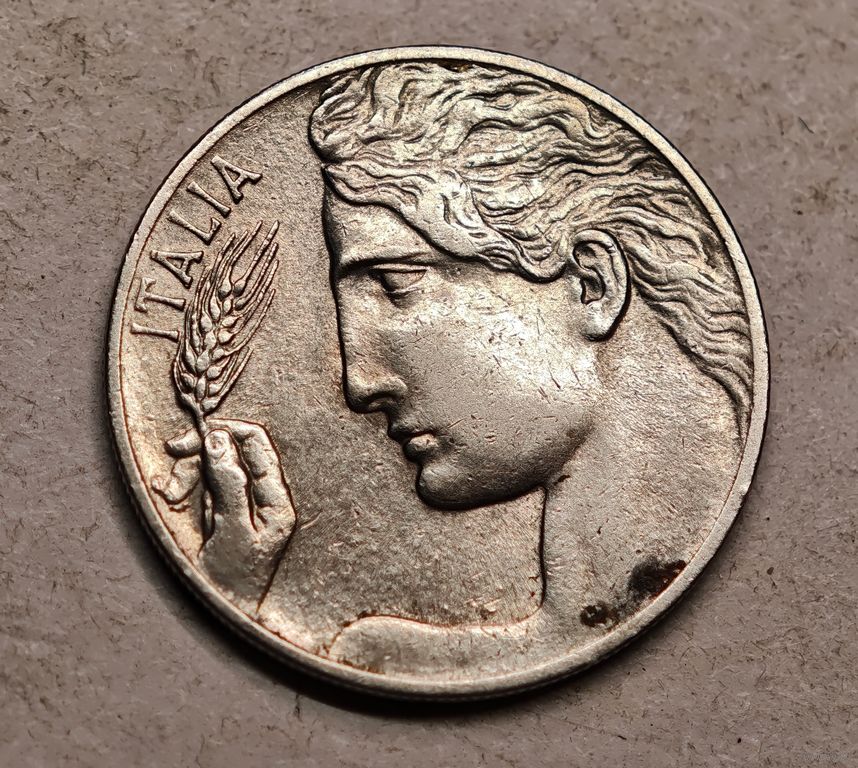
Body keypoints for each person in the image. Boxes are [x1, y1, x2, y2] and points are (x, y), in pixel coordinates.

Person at [160, 62, 753, 675]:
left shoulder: (386, 657)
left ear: (590, 282)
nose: (359, 385)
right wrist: (226, 594)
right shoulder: (381, 654)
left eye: (396, 282)